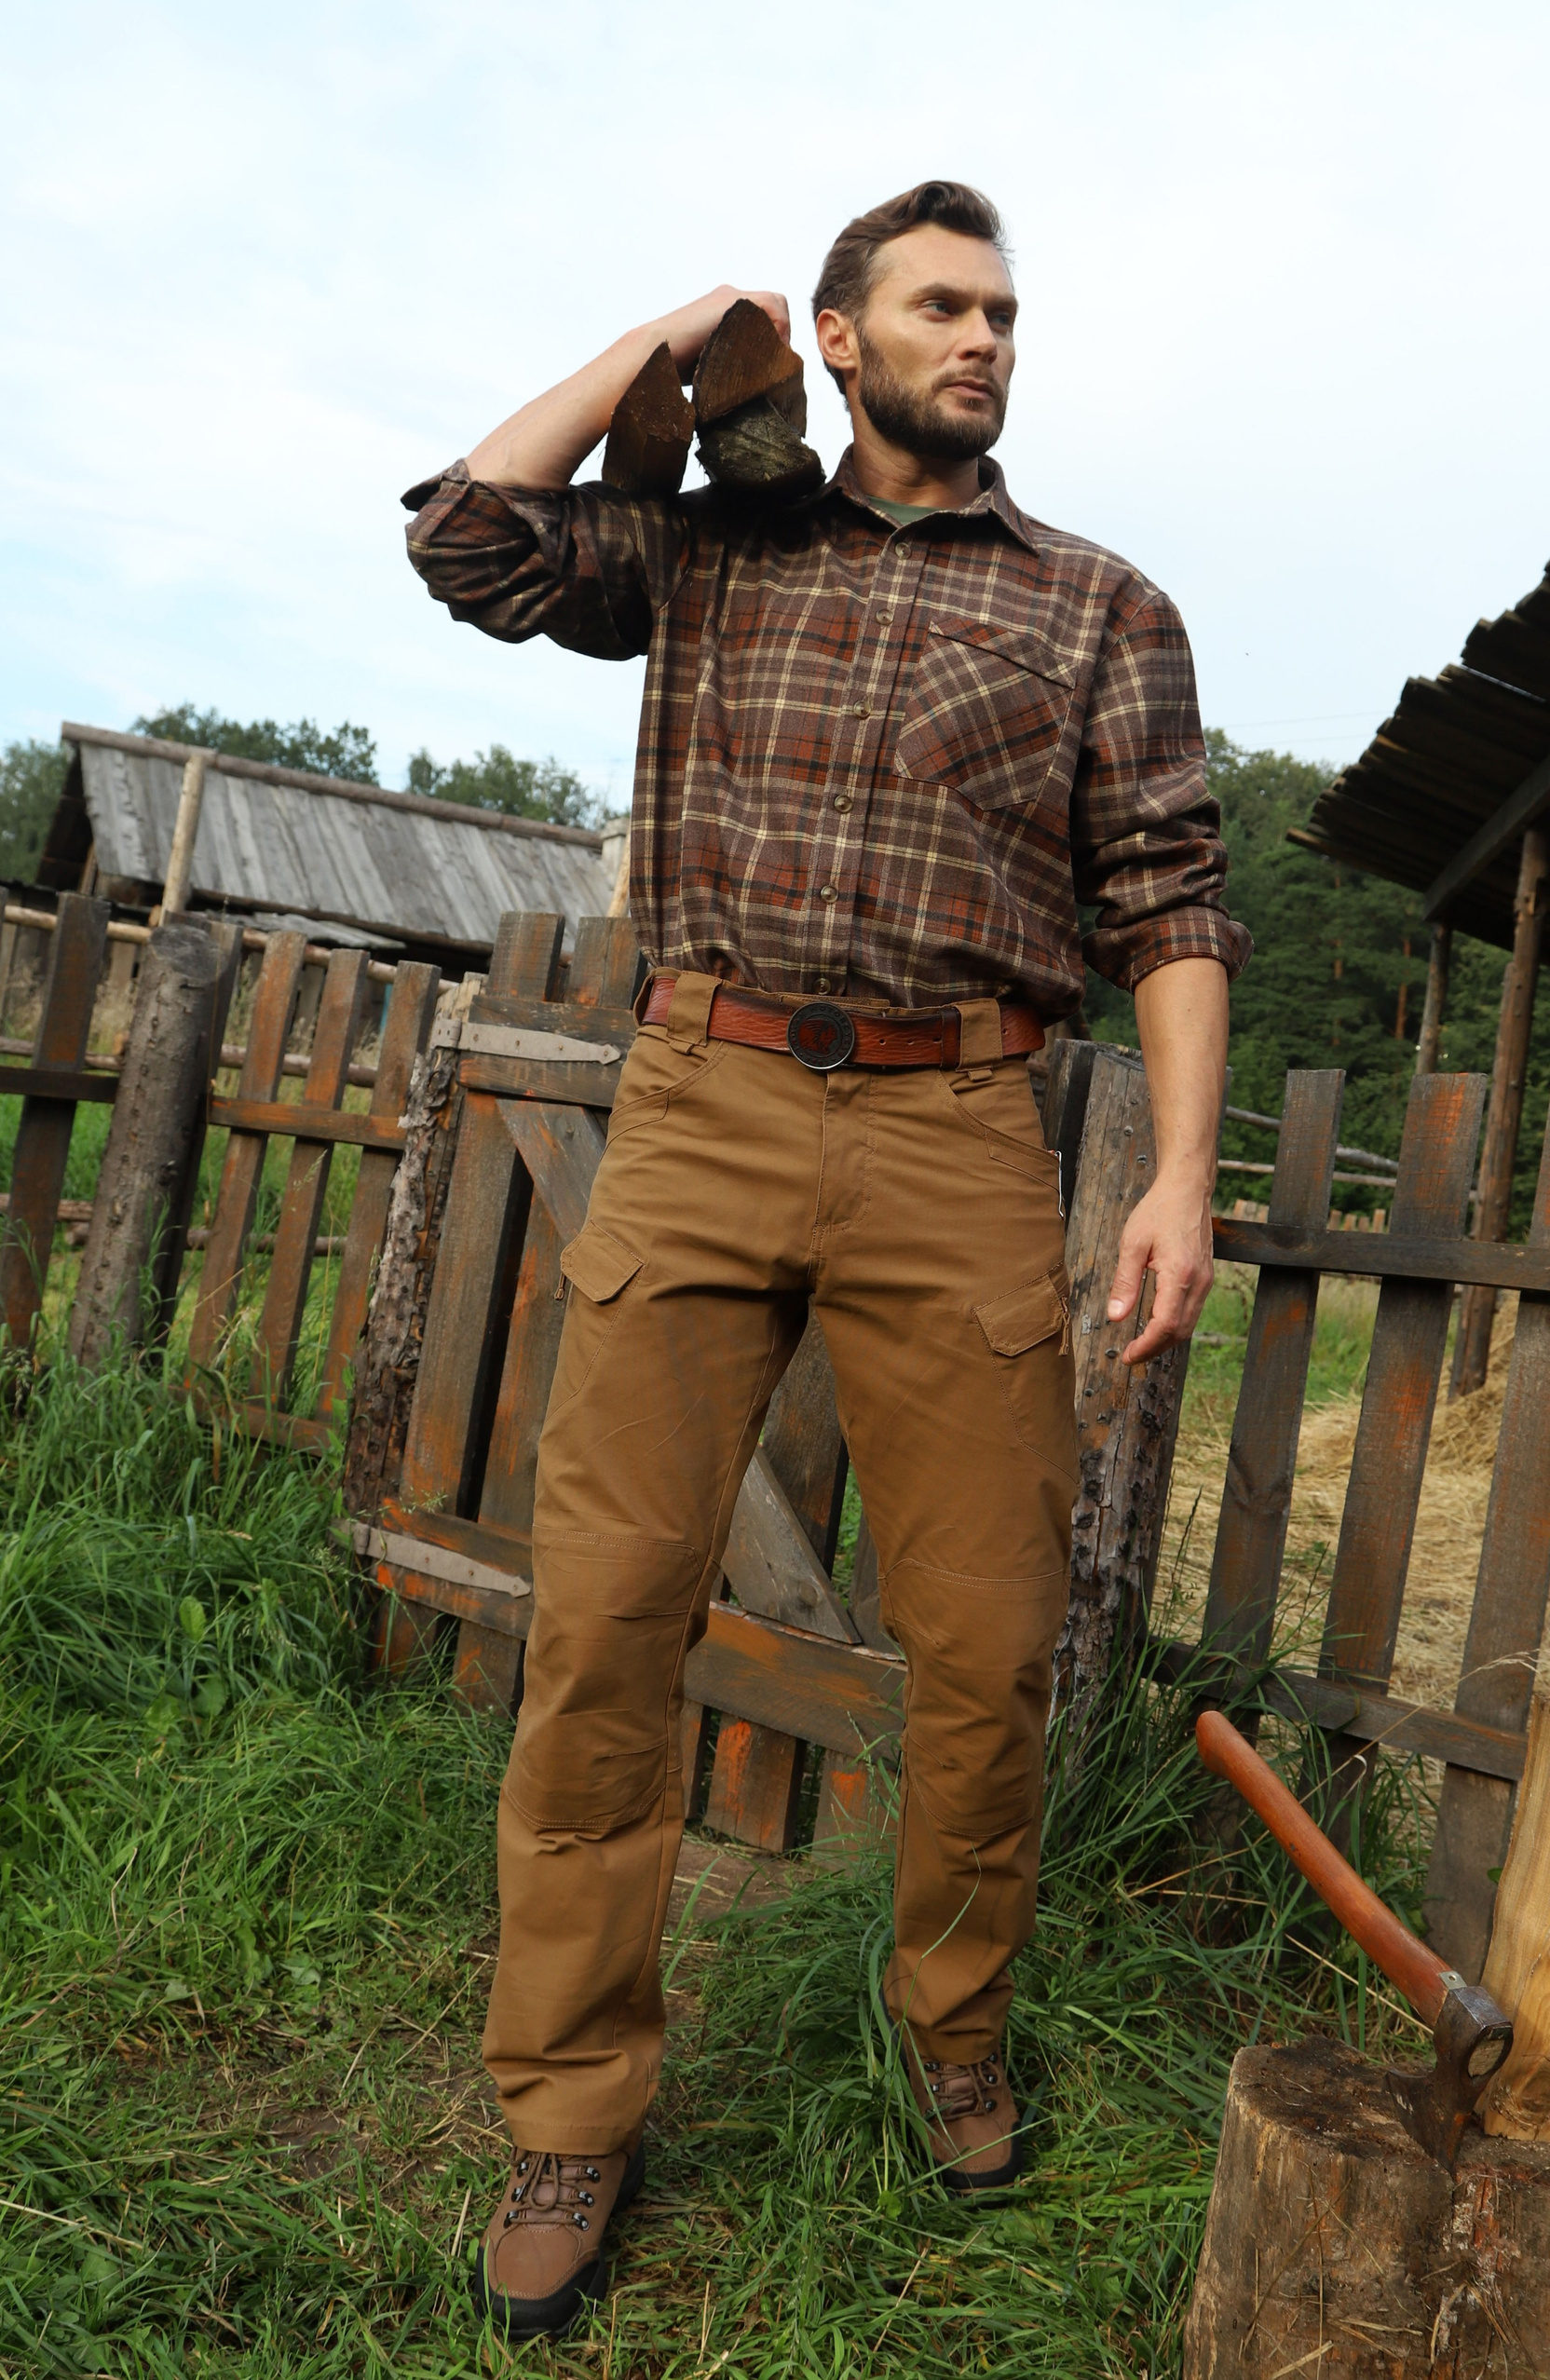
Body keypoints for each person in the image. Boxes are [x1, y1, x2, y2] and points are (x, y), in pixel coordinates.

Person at [402, 177, 1249, 2343]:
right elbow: (467, 538)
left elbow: (1170, 895)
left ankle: (952, 2028)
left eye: (1005, 313)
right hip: (704, 1100)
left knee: (985, 1642)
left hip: (963, 1130)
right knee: (607, 1619)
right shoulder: (704, 549)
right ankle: (570, 2107)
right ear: (844, 339)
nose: (985, 340)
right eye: (941, 307)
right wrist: (668, 338)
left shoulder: (1100, 608)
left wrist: (1175, 1176)